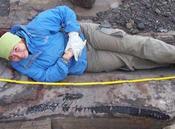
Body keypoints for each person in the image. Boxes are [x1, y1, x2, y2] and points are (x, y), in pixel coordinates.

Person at [0, 5, 175, 82]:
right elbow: (48, 76)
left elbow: (63, 11)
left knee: (134, 45)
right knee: (128, 61)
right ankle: (169, 62)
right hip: (84, 61)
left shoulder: (36, 27)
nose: (17, 55)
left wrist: (73, 34)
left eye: (15, 49)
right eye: (12, 57)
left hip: (87, 35)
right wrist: (65, 58)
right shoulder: (22, 65)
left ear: (19, 39)